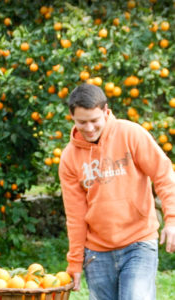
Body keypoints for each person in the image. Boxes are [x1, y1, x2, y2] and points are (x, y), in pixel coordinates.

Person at [59, 83, 175, 300]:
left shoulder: (131, 134)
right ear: (72, 117)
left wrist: (172, 219)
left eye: (95, 120)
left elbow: (163, 174)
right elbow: (75, 216)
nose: (90, 128)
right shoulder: (69, 158)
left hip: (138, 242)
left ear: (105, 111)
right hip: (96, 253)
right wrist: (74, 262)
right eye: (82, 122)